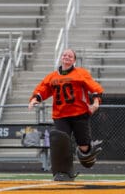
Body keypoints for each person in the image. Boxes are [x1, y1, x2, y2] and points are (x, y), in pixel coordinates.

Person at [28, 49, 104, 181]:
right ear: (61, 58)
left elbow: (94, 87)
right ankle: (62, 172)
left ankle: (87, 152)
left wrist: (96, 102)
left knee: (84, 150)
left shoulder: (81, 73)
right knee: (61, 143)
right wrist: (35, 99)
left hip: (79, 113)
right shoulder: (52, 77)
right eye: (64, 55)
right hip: (60, 115)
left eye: (70, 56)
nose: (67, 57)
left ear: (74, 60)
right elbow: (43, 89)